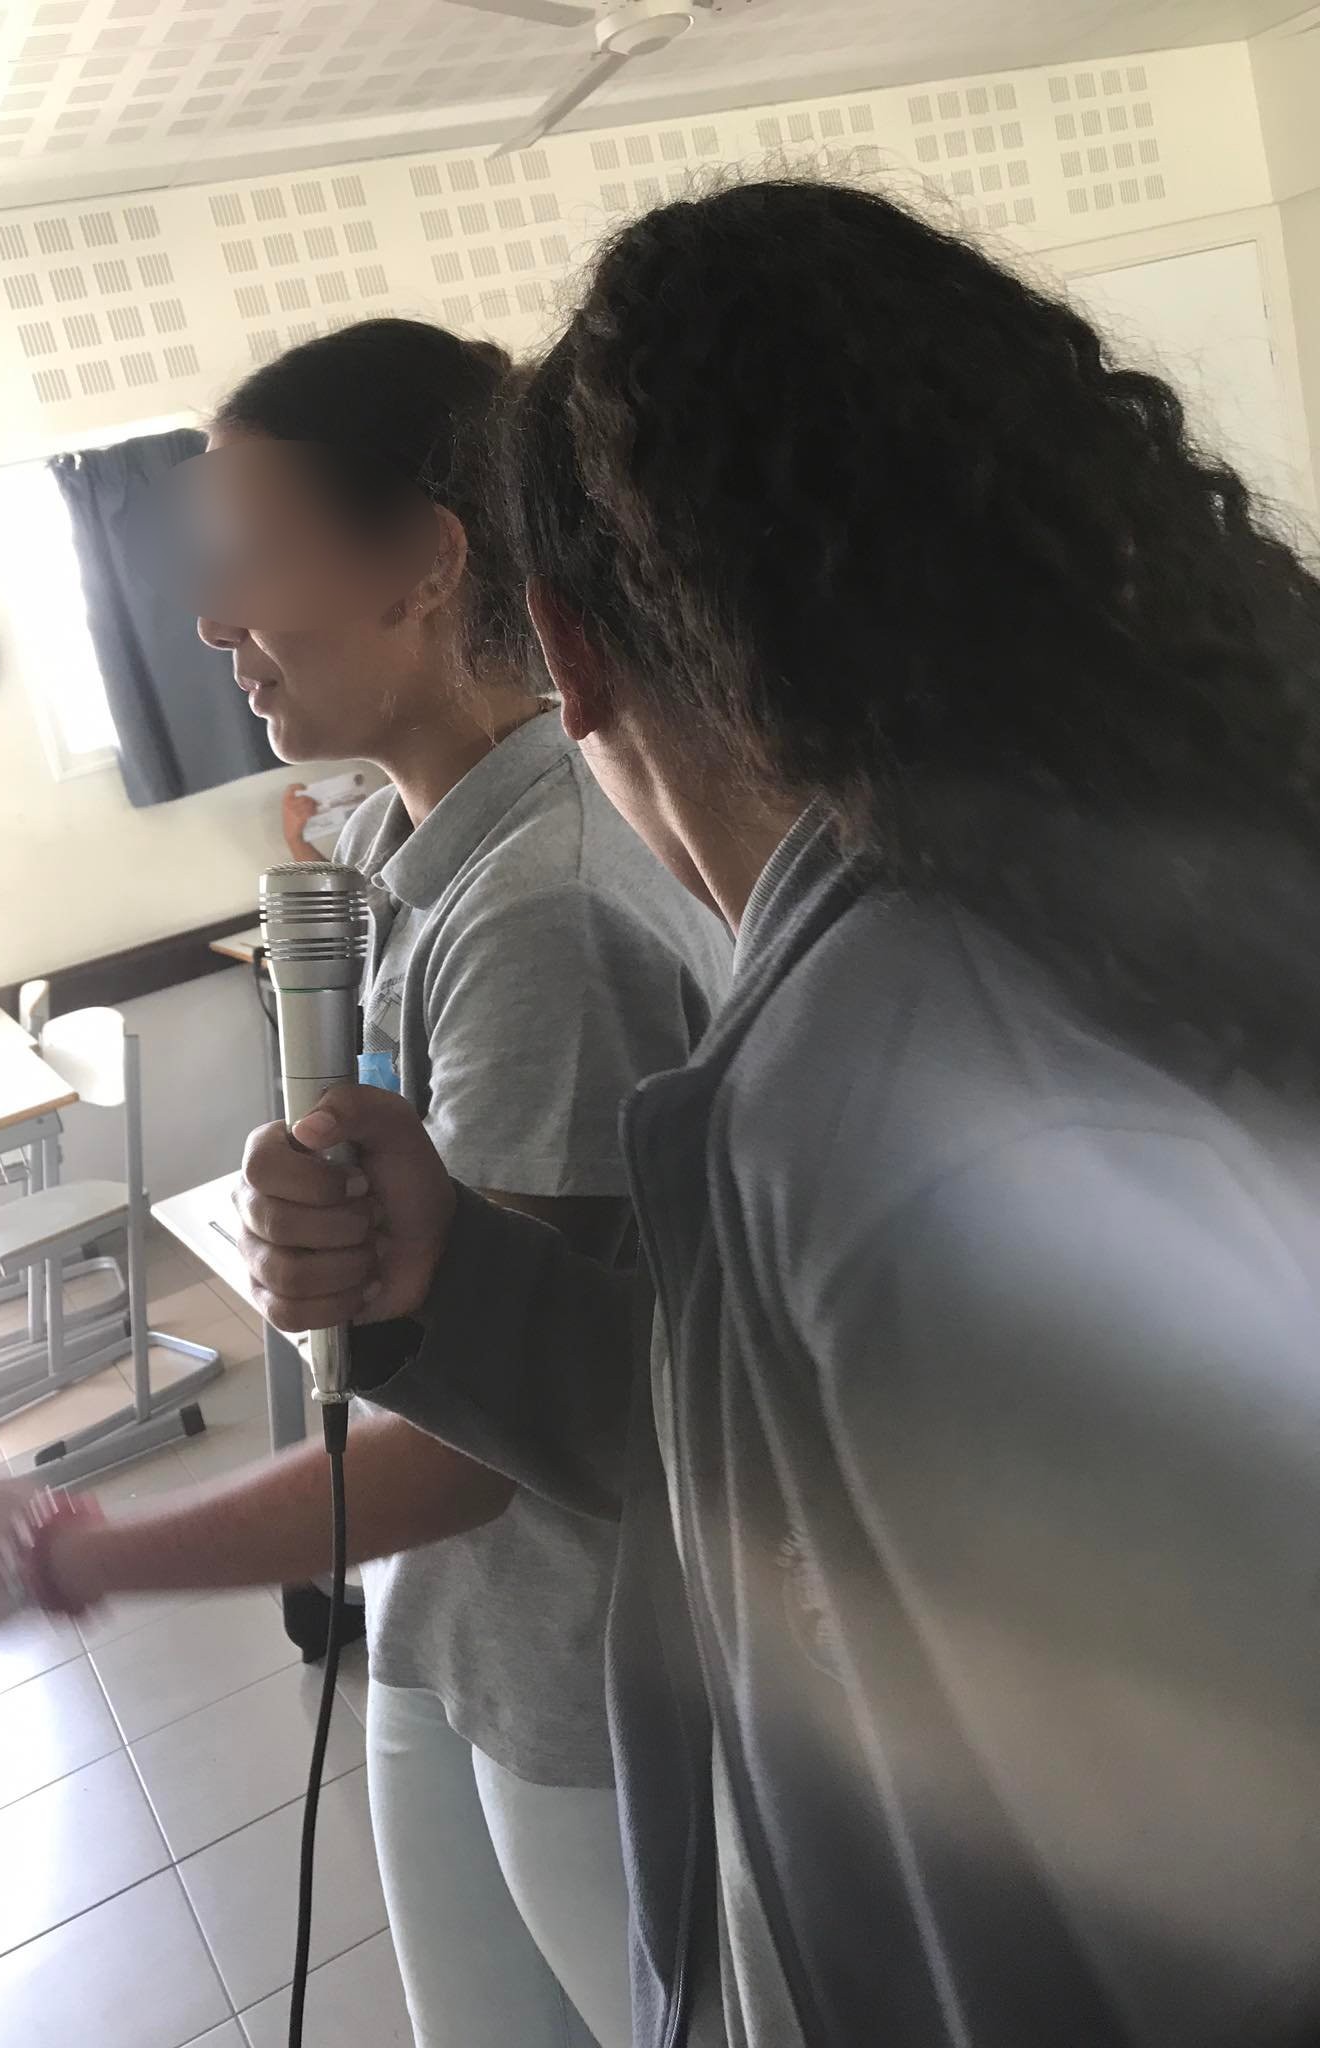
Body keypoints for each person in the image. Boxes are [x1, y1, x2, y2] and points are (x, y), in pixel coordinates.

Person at [232, 180, 1320, 2048]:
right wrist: (456, 1287)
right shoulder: (1099, 909)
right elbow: (820, 1480)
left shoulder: (894, 1085)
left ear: (567, 651)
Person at [0, 318, 729, 2048]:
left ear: (423, 566)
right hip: (448, 1632)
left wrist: (91, 1549)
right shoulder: (392, 846)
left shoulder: (544, 911)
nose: (211, 619)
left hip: (585, 1677)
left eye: (249, 554)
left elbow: (474, 1449)